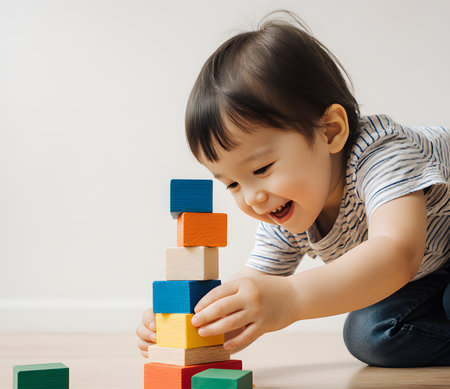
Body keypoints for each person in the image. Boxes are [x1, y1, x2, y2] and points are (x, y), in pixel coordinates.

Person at [136, 11, 450, 367]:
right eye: (233, 184)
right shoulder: (287, 210)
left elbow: (398, 254)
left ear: (330, 131)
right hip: (434, 273)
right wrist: (193, 320)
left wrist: (292, 298)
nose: (252, 197)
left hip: (427, 261)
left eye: (261, 169)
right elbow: (256, 281)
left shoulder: (382, 154)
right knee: (368, 334)